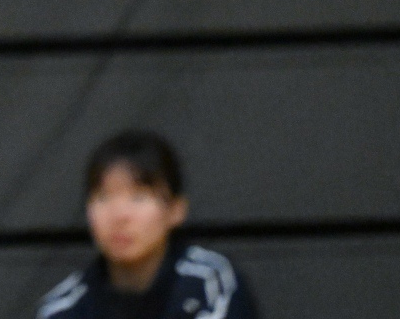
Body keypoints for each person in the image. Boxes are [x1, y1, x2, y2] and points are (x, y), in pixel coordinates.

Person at [34, 131, 259, 319]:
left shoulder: (210, 284)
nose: (120, 215)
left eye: (138, 197)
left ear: (176, 210)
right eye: (103, 197)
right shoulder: (62, 309)